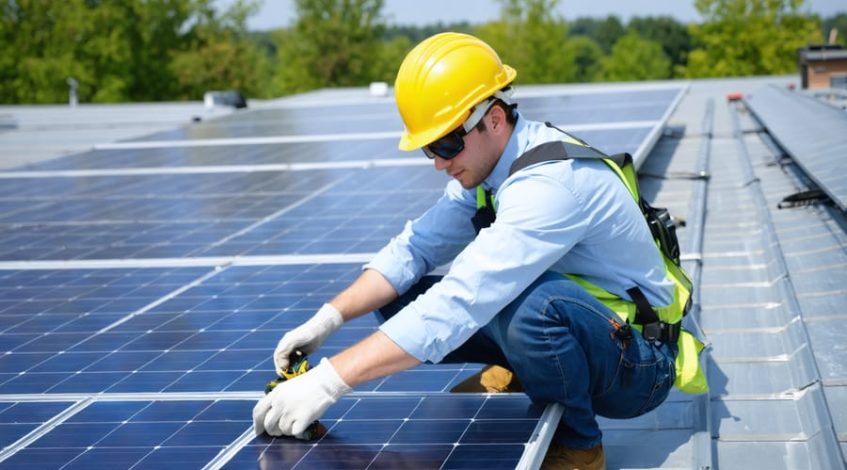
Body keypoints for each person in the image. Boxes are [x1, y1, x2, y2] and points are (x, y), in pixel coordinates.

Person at [253, 32, 702, 470]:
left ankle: (580, 446)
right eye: (430, 146)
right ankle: (528, 369)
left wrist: (328, 382)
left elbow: (463, 298)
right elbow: (414, 249)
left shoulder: (550, 185)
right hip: (595, 331)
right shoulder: (488, 168)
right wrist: (327, 319)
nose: (438, 161)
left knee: (531, 305)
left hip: (640, 364)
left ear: (493, 118)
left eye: (447, 143)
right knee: (400, 295)